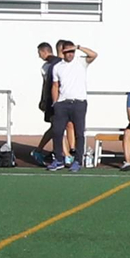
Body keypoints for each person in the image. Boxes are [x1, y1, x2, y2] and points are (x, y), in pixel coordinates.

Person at [47, 41, 97, 172]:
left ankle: (77, 161)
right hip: (62, 103)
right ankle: (58, 159)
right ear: (62, 52)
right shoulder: (58, 67)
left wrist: (79, 47)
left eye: (72, 51)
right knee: (57, 132)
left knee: (79, 133)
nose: (70, 54)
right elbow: (55, 85)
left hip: (79, 102)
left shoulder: (81, 62)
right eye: (67, 51)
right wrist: (55, 103)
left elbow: (94, 55)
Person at [32, 41, 72, 166]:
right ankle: (67, 155)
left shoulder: (65, 65)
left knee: (60, 127)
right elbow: (48, 86)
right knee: (59, 127)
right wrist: (44, 100)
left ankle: (41, 151)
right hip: (55, 102)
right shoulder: (49, 66)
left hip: (64, 100)